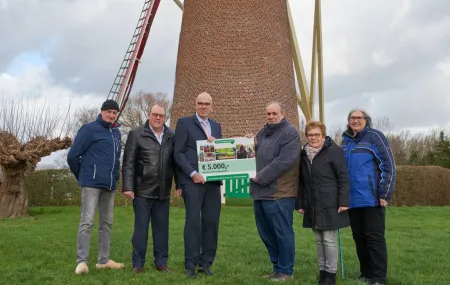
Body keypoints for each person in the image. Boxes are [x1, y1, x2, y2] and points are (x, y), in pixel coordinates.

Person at [121, 103, 181, 274]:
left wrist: (178, 184)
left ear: (165, 117)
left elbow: (175, 163)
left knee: (162, 229)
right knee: (141, 229)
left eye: (161, 115)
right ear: (149, 115)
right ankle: (138, 263)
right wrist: (128, 186)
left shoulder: (171, 135)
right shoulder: (137, 134)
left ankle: (161, 262)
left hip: (163, 191)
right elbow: (128, 163)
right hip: (142, 190)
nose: (157, 118)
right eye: (155, 114)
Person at [67, 99, 124, 275]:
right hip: (91, 184)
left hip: (109, 185)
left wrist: (115, 177)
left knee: (106, 223)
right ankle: (82, 262)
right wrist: (83, 176)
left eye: (114, 112)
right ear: (101, 112)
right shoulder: (89, 129)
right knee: (87, 222)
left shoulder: (116, 133)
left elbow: (115, 159)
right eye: (108, 111)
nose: (111, 115)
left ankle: (103, 260)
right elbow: (73, 156)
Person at [341, 109, 396, 285]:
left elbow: (388, 166)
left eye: (359, 118)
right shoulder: (346, 141)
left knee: (374, 238)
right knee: (359, 237)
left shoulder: (375, 137)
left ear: (366, 120)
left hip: (371, 198)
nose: (355, 121)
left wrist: (385, 193)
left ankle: (379, 277)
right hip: (352, 199)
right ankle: (366, 273)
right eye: (352, 118)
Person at [249, 101, 301, 281]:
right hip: (261, 192)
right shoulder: (262, 133)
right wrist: (250, 144)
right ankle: (277, 267)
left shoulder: (290, 133)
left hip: (280, 193)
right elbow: (254, 156)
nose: (270, 116)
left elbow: (285, 161)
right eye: (268, 114)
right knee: (266, 233)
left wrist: (261, 176)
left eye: (274, 114)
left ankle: (286, 270)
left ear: (282, 114)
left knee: (282, 232)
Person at [174, 92, 223, 278]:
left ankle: (206, 263)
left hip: (212, 182)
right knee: (193, 222)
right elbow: (178, 153)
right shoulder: (184, 123)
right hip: (193, 181)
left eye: (207, 103)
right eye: (200, 103)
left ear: (212, 106)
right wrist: (192, 174)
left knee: (211, 223)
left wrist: (218, 144)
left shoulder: (216, 126)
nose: (203, 106)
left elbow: (220, 152)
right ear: (195, 105)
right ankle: (190, 265)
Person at [296, 121, 350, 285]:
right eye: (310, 135)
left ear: (323, 135)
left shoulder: (334, 152)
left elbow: (343, 178)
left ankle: (330, 274)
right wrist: (300, 203)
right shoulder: (303, 154)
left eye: (316, 135)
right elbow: (301, 181)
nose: (313, 138)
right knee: (318, 239)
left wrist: (343, 201)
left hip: (330, 201)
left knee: (328, 238)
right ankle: (322, 272)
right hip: (312, 202)